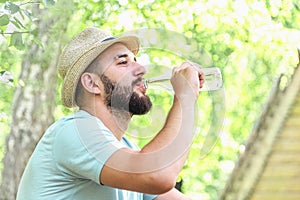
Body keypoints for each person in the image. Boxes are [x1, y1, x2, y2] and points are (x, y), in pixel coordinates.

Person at [17, 27, 204, 200]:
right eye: (123, 62)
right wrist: (185, 97)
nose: (141, 70)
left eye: (136, 62)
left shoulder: (124, 150)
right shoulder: (75, 131)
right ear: (92, 83)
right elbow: (157, 175)